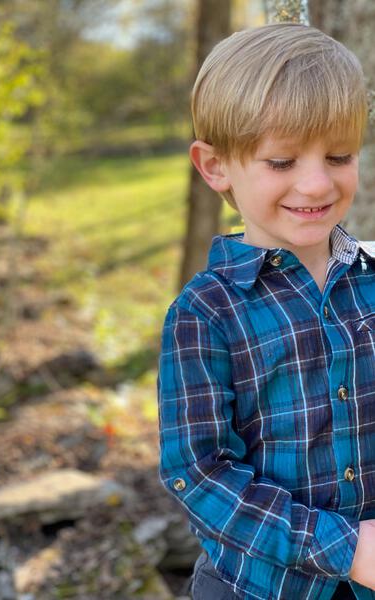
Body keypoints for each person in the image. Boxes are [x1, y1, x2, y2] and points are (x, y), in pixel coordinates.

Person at [157, 22, 375, 600]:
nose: (315, 181)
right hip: (258, 588)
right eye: (281, 161)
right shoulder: (206, 313)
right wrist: (345, 547)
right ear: (216, 166)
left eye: (339, 155)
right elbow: (199, 473)